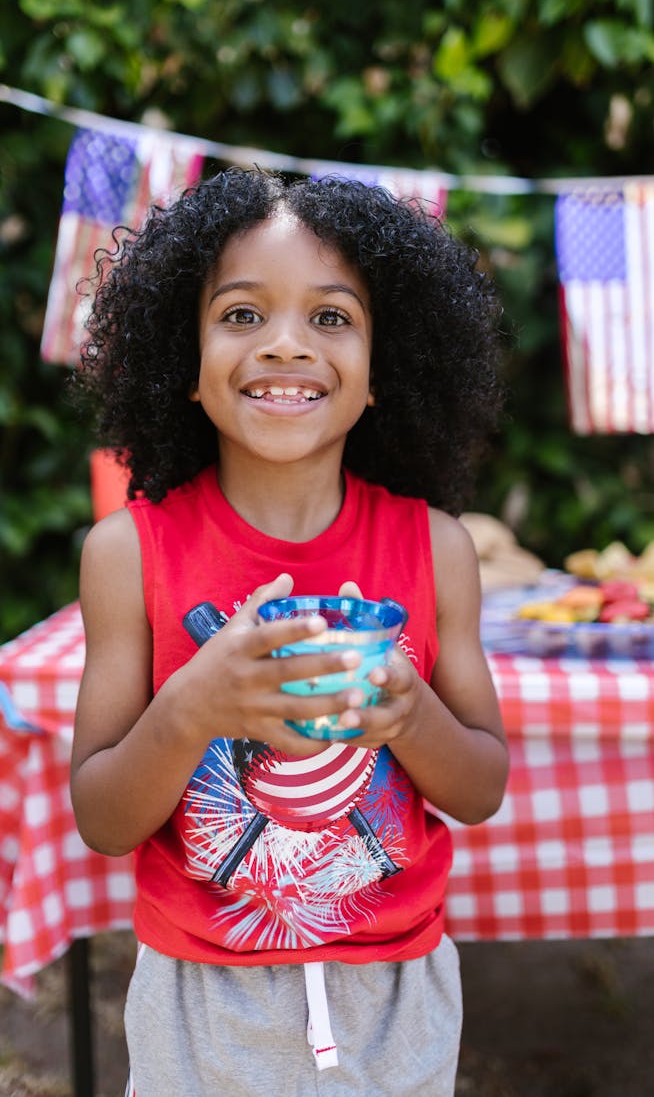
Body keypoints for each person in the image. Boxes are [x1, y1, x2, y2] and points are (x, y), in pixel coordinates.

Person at [70, 167, 510, 1096]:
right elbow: (104, 818)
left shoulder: (439, 550)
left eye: (331, 317)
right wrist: (193, 705)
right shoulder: (126, 554)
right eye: (240, 315)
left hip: (396, 998)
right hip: (200, 1002)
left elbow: (480, 787)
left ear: (383, 370)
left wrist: (409, 714)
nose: (284, 345)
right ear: (178, 361)